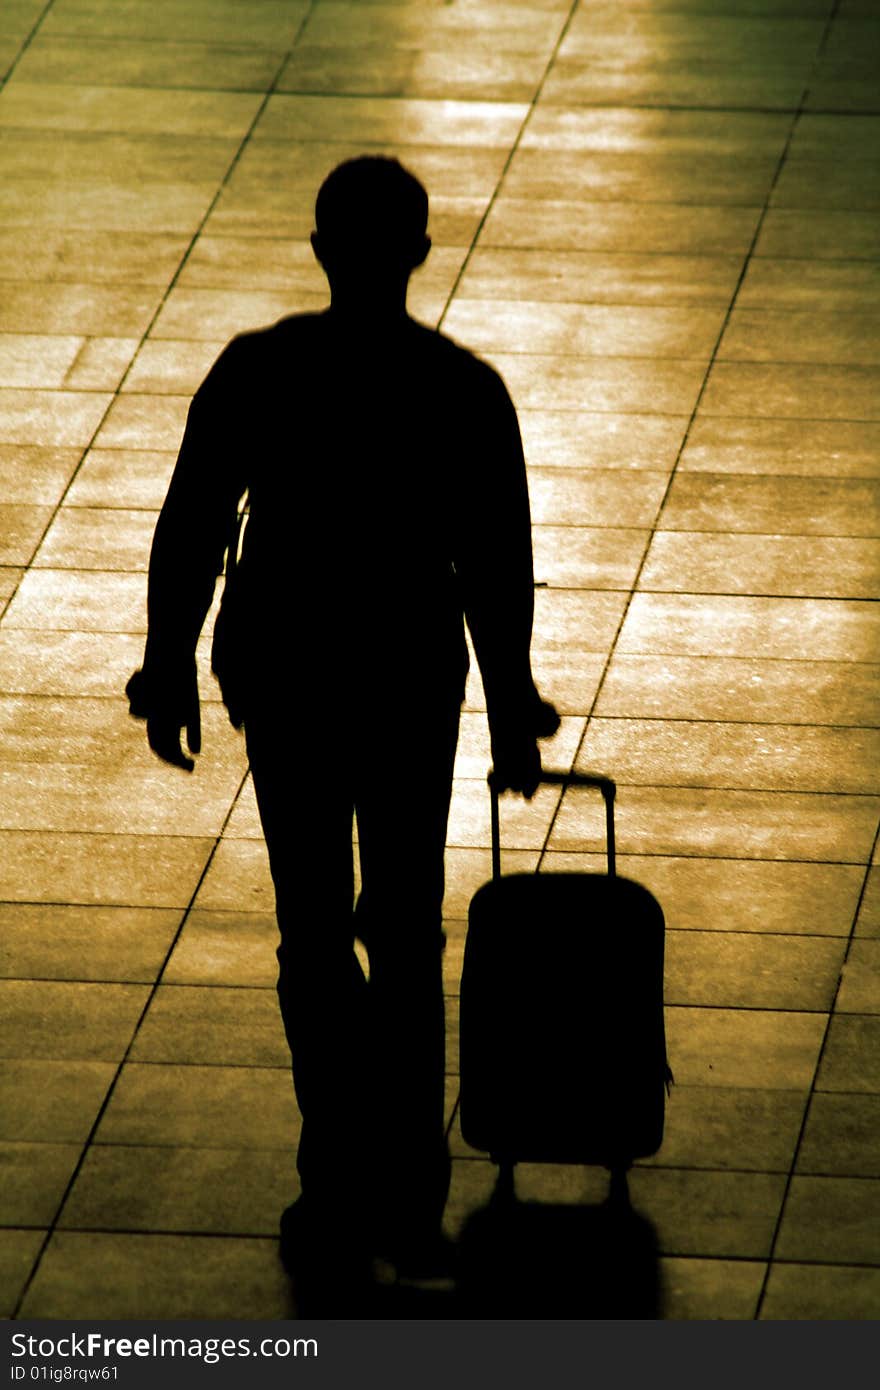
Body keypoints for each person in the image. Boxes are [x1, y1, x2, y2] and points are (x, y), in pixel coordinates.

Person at [127, 155, 559, 1287]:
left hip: (289, 669)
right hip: (410, 670)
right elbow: (496, 565)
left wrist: (168, 662)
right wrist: (510, 707)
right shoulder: (461, 391)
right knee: (405, 923)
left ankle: (335, 1161)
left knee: (312, 922)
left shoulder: (259, 372)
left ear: (318, 246)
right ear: (420, 250)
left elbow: (193, 525)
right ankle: (409, 1172)